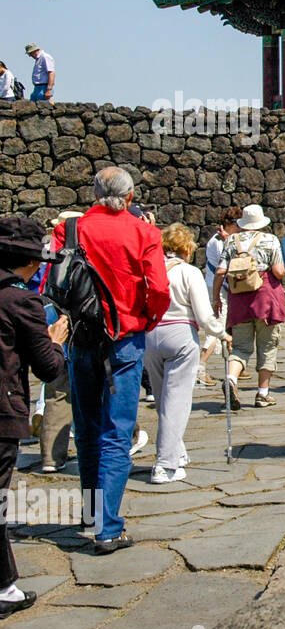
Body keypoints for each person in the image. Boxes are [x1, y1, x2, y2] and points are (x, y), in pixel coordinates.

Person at [51, 167, 170, 554]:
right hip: (124, 338)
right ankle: (108, 527)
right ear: (130, 198)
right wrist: (145, 319)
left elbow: (51, 284)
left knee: (85, 430)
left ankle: (91, 514)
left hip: (82, 338)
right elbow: (159, 289)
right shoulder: (143, 233)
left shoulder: (69, 231)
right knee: (116, 433)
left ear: (94, 193)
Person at [0, 217, 68, 615]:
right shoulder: (20, 301)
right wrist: (55, 341)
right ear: (28, 263)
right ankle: (5, 586)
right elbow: (46, 368)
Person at [145, 224, 228, 484]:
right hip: (180, 336)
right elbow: (204, 315)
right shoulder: (189, 272)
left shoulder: (149, 269)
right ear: (186, 248)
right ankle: (165, 465)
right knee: (177, 402)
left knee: (162, 401)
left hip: (150, 335)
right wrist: (221, 332)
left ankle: (176, 452)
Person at [212, 204, 285, 411]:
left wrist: (216, 298)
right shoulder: (270, 240)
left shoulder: (231, 242)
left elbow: (220, 272)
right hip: (265, 298)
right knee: (268, 345)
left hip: (239, 299)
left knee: (240, 347)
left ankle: (231, 378)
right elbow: (279, 272)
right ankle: (263, 393)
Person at [37, 210, 81, 473]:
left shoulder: (48, 251)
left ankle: (51, 458)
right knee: (99, 388)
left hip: (53, 315)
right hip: (84, 323)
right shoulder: (86, 250)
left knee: (57, 392)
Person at [197, 207, 241, 385]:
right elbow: (229, 262)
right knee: (216, 328)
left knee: (229, 326)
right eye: (237, 225)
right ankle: (200, 367)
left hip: (220, 287)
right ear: (230, 224)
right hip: (218, 288)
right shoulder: (218, 242)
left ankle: (235, 365)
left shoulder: (221, 239)